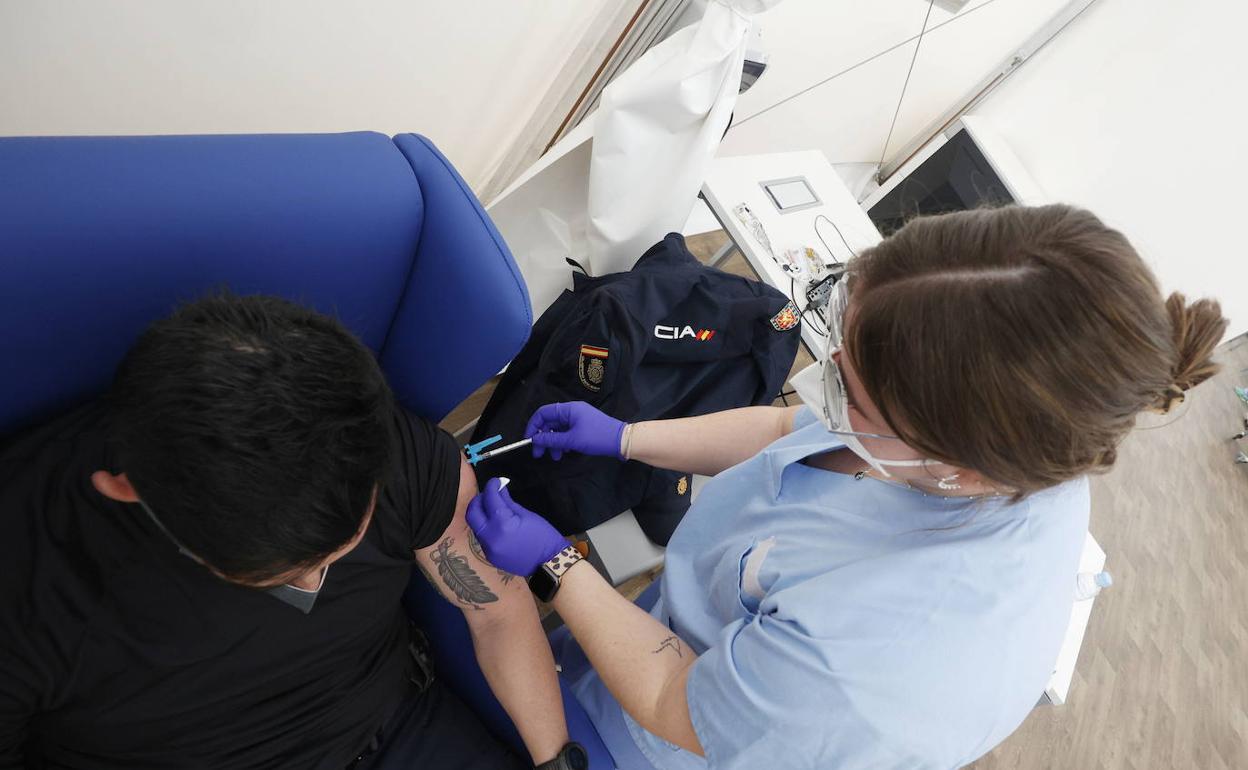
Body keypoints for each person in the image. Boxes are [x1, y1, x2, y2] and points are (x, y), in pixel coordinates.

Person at [466, 204, 1229, 769]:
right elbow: (787, 433)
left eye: (852, 395)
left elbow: (677, 703)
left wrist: (557, 567)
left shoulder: (883, 655)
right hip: (664, 645)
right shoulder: (1010, 434)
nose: (819, 388)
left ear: (960, 468)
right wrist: (626, 438)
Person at [0, 294, 578, 769]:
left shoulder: (366, 440)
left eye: (338, 551)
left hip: (395, 728)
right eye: (279, 575)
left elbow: (495, 610)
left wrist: (558, 767)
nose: (314, 585)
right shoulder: (29, 579)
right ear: (129, 490)